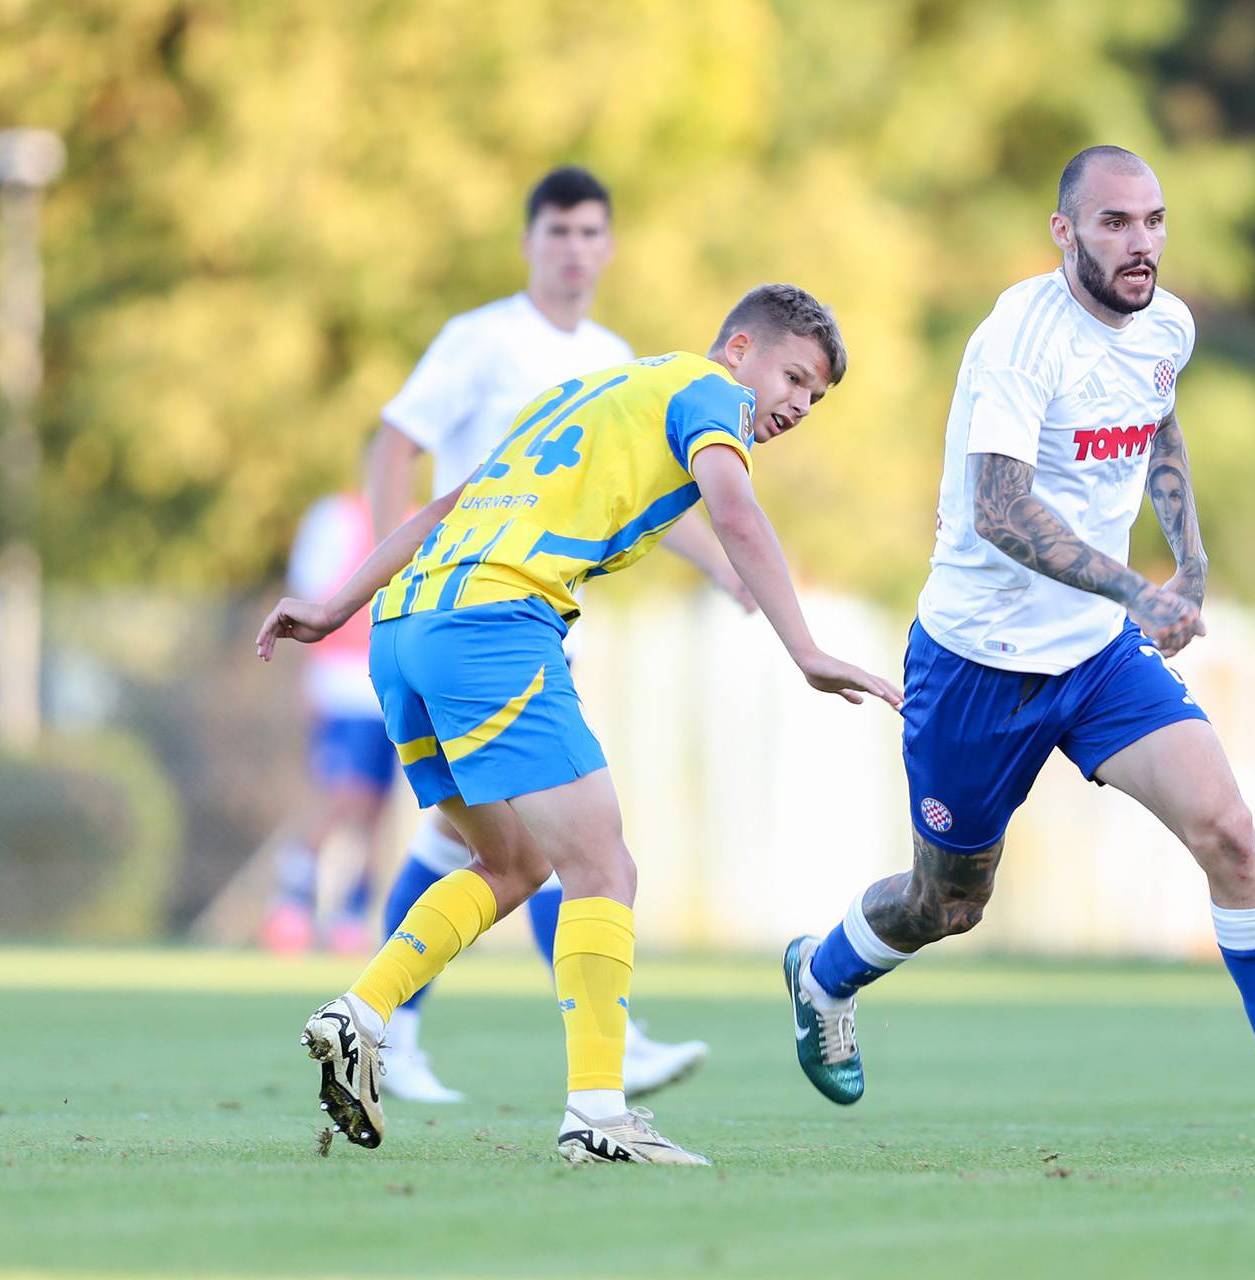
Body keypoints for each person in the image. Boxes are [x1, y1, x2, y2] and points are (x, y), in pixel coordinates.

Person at [258, 283, 902, 1167]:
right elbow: (736, 509)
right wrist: (807, 649)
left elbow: (446, 507)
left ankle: (359, 1015)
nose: (795, 404)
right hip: (494, 628)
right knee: (603, 866)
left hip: (407, 634)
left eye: (815, 397)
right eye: (793, 376)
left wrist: (338, 605)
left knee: (512, 863)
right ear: (739, 347)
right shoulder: (709, 392)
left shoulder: (584, 393)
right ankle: (598, 1110)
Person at [783, 146, 1255, 1137]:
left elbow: (1156, 419)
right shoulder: (1019, 338)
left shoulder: (1167, 324)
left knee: (1232, 830)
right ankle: (823, 972)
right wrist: (1139, 588)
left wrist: (1191, 560)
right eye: (1116, 222)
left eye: (1155, 221)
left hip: (1094, 656)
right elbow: (1001, 506)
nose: (1141, 243)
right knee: (947, 903)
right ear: (1064, 232)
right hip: (976, 663)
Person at [365, 166, 743, 1102]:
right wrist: (390, 565)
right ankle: (579, 1057)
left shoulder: (616, 353)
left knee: (495, 847)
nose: (575, 249)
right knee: (562, 844)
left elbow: (655, 494)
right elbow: (395, 444)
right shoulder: (482, 340)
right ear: (530, 241)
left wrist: (732, 572)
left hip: (523, 616)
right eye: (559, 232)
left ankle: (383, 1024)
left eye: (591, 234)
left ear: (609, 247)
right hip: (469, 609)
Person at [260, 491, 398, 955]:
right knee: (341, 796)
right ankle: (293, 902)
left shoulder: (421, 513)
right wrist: (305, 675)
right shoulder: (338, 516)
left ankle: (351, 914)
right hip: (344, 685)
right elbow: (308, 595)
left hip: (396, 684)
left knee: (378, 808)